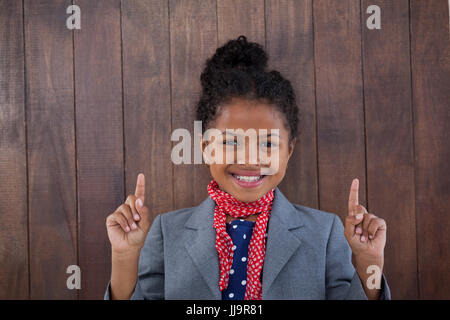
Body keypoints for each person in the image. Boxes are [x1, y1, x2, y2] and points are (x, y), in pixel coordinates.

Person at [104, 35, 390, 300]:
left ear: (289, 151)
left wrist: (369, 262)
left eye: (268, 144)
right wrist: (124, 255)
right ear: (206, 148)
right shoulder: (168, 232)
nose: (251, 160)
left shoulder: (324, 232)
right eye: (231, 142)